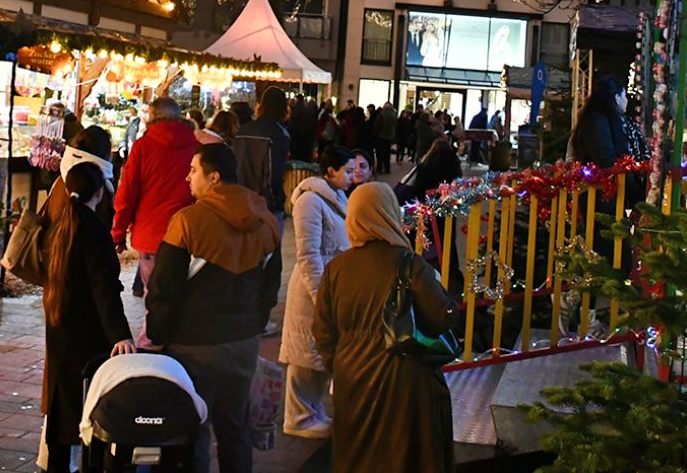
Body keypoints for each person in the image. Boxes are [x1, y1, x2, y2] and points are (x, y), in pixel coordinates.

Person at [146, 143, 282, 473]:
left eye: (194, 171)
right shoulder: (266, 222)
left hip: (194, 343)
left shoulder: (187, 222)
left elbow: (163, 288)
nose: (187, 177)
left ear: (214, 177)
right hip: (242, 341)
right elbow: (269, 288)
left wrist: (158, 336)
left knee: (194, 427)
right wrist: (254, 324)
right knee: (235, 427)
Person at [314, 182, 458, 473]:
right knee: (403, 458)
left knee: (358, 456)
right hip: (404, 382)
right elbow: (442, 316)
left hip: (351, 380)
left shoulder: (336, 268)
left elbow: (323, 332)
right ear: (390, 213)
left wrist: (343, 364)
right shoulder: (410, 264)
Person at [40, 162, 137, 471]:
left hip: (59, 326)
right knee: (90, 408)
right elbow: (103, 290)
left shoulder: (60, 223)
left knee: (62, 404)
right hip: (87, 333)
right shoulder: (93, 229)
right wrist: (119, 335)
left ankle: (57, 465)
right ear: (99, 192)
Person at [280, 146, 352, 438]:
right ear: (331, 171)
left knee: (319, 353)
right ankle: (297, 417)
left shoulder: (336, 196)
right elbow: (308, 254)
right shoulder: (309, 201)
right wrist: (321, 295)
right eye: (347, 170)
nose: (352, 175)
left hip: (332, 284)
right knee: (305, 354)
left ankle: (312, 411)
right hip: (314, 288)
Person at [111, 98, 199, 298]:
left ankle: (155, 330)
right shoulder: (196, 146)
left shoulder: (143, 146)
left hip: (151, 234)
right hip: (187, 234)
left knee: (155, 298)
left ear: (152, 116)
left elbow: (127, 194)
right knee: (178, 294)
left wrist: (118, 233)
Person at [571, 75, 647, 208]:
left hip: (608, 194)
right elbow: (606, 160)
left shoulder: (603, 120)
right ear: (617, 98)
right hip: (603, 197)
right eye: (624, 96)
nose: (627, 100)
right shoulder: (598, 122)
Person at [236, 86, 292, 226]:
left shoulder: (244, 129)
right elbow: (273, 173)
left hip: (242, 199)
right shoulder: (279, 133)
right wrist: (275, 203)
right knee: (270, 245)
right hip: (265, 204)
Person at [396, 137, 463, 205]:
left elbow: (418, 187)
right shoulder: (452, 163)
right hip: (444, 200)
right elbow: (458, 180)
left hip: (422, 201)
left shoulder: (424, 165)